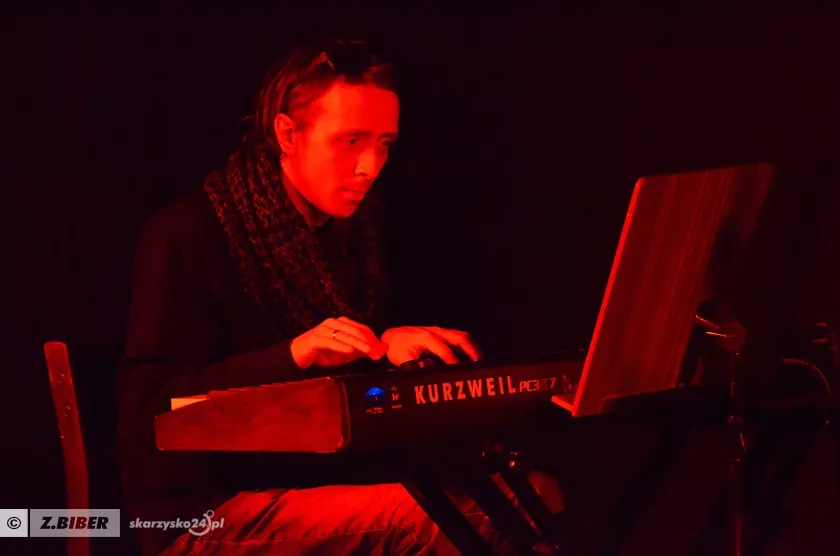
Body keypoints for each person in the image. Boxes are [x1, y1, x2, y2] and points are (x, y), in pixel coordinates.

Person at [117, 37, 562, 555]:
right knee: (433, 523)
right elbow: (153, 413)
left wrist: (383, 350)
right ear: (288, 134)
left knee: (532, 496)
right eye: (351, 140)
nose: (370, 165)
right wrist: (293, 356)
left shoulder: (357, 236)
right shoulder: (188, 233)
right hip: (203, 511)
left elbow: (349, 401)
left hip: (319, 483)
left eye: (385, 144)